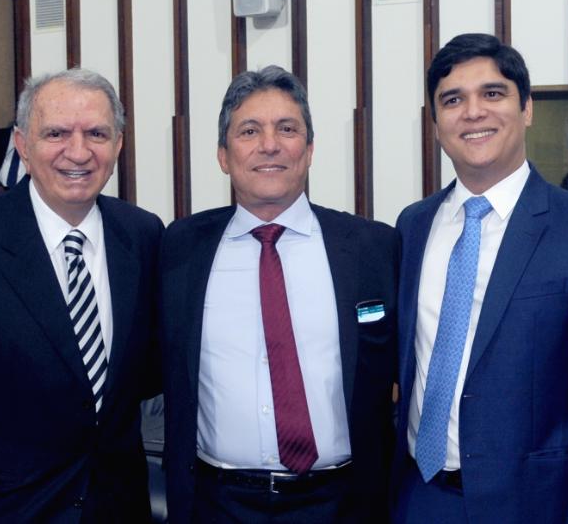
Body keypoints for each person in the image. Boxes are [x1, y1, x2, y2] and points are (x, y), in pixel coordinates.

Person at [393, 33, 568, 524]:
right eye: (452, 100)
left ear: (526, 108)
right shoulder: (413, 226)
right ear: (435, 123)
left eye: (492, 93)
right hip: (419, 497)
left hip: (534, 505)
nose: (473, 112)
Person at [160, 65, 398, 523]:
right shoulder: (179, 249)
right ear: (223, 156)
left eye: (287, 129)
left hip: (344, 503)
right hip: (216, 504)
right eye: (249, 131)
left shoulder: (373, 248)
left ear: (309, 150)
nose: (269, 145)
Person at [0, 69, 163, 522]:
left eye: (97, 134)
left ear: (118, 145)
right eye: (57, 133)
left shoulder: (144, 235)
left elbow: (146, 373)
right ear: (23, 145)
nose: (79, 152)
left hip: (119, 509)